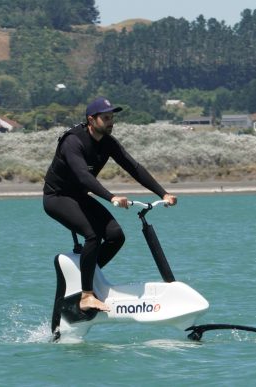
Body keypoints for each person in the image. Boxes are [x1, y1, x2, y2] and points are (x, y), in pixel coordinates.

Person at [43, 97, 177, 313]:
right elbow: (83, 176)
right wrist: (111, 196)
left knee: (115, 236)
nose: (110, 122)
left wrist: (163, 192)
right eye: (105, 118)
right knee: (93, 235)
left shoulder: (107, 142)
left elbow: (134, 167)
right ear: (91, 119)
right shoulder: (72, 141)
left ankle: (83, 279)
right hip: (57, 197)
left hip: (78, 196)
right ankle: (86, 296)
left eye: (112, 117)